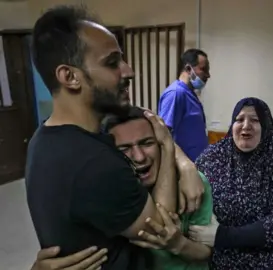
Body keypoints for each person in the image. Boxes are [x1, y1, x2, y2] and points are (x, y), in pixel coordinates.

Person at [26, 6, 202, 269]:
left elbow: (145, 125)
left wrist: (185, 163)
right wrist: (166, 146)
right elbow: (161, 229)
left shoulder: (46, 138)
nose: (128, 71)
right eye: (112, 63)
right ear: (70, 76)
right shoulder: (92, 162)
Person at [32, 106, 213, 270]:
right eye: (124, 148)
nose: (139, 157)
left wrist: (179, 245)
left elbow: (206, 252)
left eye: (147, 143)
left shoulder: (193, 185)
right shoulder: (109, 189)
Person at [185, 97, 273, 269]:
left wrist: (223, 236)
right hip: (224, 250)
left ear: (266, 126)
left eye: (255, 120)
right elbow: (193, 195)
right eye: (239, 119)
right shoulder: (211, 158)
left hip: (270, 247)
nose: (246, 125)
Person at [158, 49, 210, 161]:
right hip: (184, 168)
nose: (208, 75)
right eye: (203, 69)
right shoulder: (176, 94)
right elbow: (163, 135)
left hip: (197, 164)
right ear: (188, 69)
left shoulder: (190, 94)